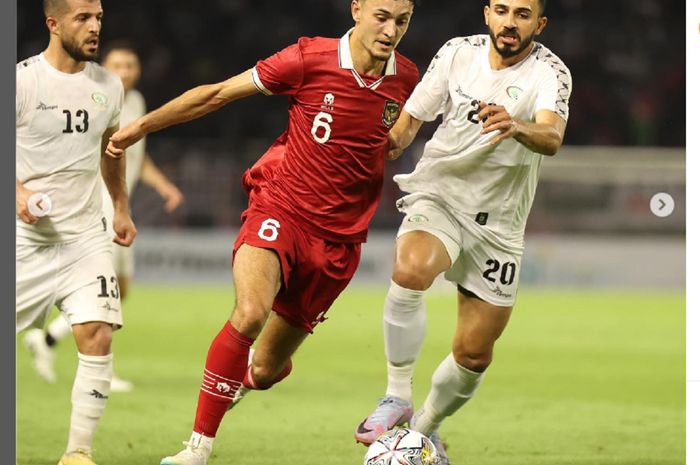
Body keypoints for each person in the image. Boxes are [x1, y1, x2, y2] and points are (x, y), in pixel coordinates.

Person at [107, 1, 419, 464]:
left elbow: (402, 133)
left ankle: (244, 379)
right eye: (381, 16)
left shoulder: (408, 78)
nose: (390, 29)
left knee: (268, 370)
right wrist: (139, 127)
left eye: (402, 20)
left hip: (339, 242)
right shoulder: (308, 58)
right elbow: (217, 94)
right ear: (356, 9)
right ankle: (199, 448)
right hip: (282, 207)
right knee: (250, 313)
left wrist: (397, 140)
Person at [353, 0, 572, 463]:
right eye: (501, 10)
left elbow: (552, 138)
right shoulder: (457, 53)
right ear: (486, 14)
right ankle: (396, 394)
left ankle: (423, 432)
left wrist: (515, 126)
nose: (510, 22)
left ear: (540, 23)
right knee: (411, 270)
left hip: (500, 225)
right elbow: (412, 120)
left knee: (474, 356)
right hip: (441, 195)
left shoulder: (551, 73)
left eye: (523, 14)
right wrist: (386, 143)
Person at [23, 41, 185, 393]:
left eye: (131, 65)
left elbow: (136, 157)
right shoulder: (90, 96)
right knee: (101, 290)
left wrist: (163, 186)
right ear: (105, 66)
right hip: (96, 205)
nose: (125, 71)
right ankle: (98, 368)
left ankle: (48, 338)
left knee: (120, 289)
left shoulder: (137, 101)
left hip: (120, 204)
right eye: (118, 64)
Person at [16, 0, 137, 464]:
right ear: (53, 23)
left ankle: (78, 453)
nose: (94, 28)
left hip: (84, 237)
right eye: (83, 19)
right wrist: (19, 194)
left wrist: (121, 208)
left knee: (97, 334)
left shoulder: (108, 85)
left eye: (99, 18)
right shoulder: (23, 80)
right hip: (24, 241)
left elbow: (112, 151)